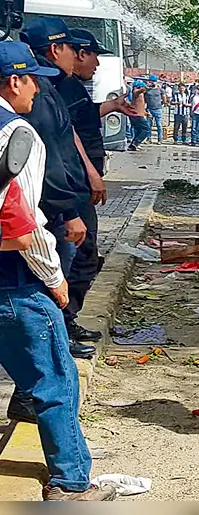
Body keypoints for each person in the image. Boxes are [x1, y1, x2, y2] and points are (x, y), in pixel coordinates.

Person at [0, 41, 116, 501]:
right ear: (15, 81)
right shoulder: (16, 136)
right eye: (34, 82)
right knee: (55, 380)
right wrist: (54, 279)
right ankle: (71, 483)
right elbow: (25, 223)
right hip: (13, 278)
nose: (38, 92)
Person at [18, 18, 94, 359]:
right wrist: (68, 212)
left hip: (62, 203)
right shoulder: (42, 96)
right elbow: (49, 161)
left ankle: (59, 338)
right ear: (56, 49)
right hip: (56, 209)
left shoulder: (49, 89)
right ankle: (54, 348)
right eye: (69, 50)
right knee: (54, 280)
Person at [58, 28, 137, 350]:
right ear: (77, 53)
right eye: (94, 55)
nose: (97, 64)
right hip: (72, 183)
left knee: (83, 254)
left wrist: (114, 106)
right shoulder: (60, 87)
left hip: (78, 181)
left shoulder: (72, 87)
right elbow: (68, 133)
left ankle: (67, 323)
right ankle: (62, 327)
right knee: (80, 255)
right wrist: (91, 172)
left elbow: (85, 118)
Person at [127, 79, 151, 151]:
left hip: (138, 114)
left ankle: (134, 145)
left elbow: (140, 106)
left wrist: (146, 113)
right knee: (146, 129)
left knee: (139, 130)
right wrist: (147, 86)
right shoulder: (136, 92)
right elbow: (139, 91)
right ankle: (136, 143)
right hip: (136, 115)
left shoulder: (141, 95)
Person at [144, 74, 164, 143]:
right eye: (151, 81)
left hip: (158, 109)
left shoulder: (160, 90)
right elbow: (144, 99)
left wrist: (163, 103)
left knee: (159, 125)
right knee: (149, 125)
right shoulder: (147, 90)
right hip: (149, 109)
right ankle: (149, 138)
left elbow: (164, 97)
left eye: (153, 81)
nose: (152, 82)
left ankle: (160, 139)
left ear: (156, 82)